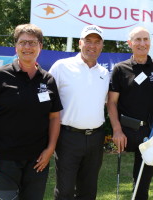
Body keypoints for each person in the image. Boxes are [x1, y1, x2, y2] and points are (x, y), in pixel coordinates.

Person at [0, 24, 62, 200]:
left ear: (40, 46)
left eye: (32, 43)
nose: (27, 47)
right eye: (22, 42)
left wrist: (50, 149)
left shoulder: (48, 80)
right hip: (5, 158)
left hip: (38, 160)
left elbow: (54, 117)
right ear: (16, 46)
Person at [107, 26, 153, 200]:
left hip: (151, 132)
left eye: (145, 39)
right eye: (138, 39)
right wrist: (117, 130)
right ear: (130, 43)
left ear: (150, 42)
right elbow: (111, 102)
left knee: (142, 185)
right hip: (126, 130)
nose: (142, 43)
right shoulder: (120, 69)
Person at [49, 24, 109, 200]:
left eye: (97, 42)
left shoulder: (105, 73)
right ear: (79, 43)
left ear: (102, 45)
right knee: (65, 191)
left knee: (88, 192)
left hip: (96, 138)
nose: (92, 46)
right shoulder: (61, 67)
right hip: (68, 138)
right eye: (88, 41)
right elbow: (47, 101)